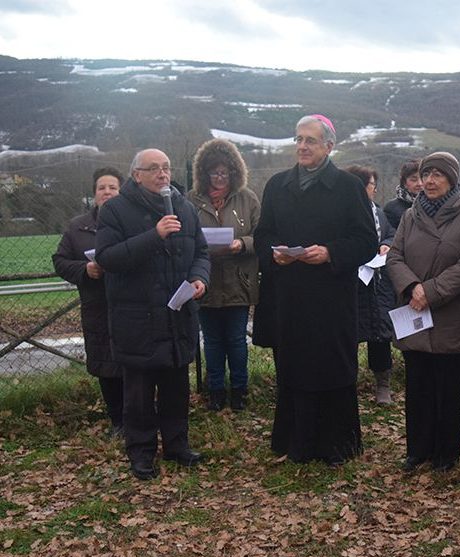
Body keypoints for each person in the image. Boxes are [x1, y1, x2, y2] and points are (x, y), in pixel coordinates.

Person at [253, 114, 377, 466]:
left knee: (332, 368)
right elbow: (264, 233)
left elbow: (367, 240)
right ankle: (298, 442)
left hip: (331, 297)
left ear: (329, 146)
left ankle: (336, 445)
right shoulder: (277, 185)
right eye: (298, 140)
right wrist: (274, 254)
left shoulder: (348, 187)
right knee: (294, 367)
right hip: (289, 295)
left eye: (310, 140)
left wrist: (330, 252)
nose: (302, 146)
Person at [95, 148, 210, 480]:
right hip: (137, 320)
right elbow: (107, 258)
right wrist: (154, 235)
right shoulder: (115, 211)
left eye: (166, 168)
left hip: (177, 316)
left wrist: (199, 278)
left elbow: (200, 252)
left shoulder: (184, 208)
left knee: (176, 388)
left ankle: (177, 445)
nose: (163, 174)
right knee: (139, 395)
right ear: (136, 175)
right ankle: (142, 453)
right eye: (154, 169)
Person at [386, 152, 460, 472]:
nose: (428, 180)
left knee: (449, 390)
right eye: (425, 174)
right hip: (415, 313)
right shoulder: (410, 217)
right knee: (418, 387)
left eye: (437, 175)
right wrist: (412, 287)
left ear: (452, 179)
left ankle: (446, 454)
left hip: (452, 317)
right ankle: (418, 449)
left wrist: (429, 292)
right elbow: (395, 256)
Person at [188, 138, 261, 412]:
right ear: (203, 172)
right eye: (213, 172)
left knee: (236, 340)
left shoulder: (247, 198)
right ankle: (215, 392)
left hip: (238, 281)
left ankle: (239, 391)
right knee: (213, 342)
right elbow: (186, 236)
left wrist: (242, 244)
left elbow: (261, 235)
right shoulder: (192, 201)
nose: (219, 177)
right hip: (204, 282)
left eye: (224, 172)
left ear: (234, 171)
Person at [52, 167, 125, 436]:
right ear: (94, 193)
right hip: (97, 306)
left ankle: (139, 418)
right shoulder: (78, 227)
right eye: (101, 188)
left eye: (113, 187)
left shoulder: (133, 222)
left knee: (134, 364)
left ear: (122, 191)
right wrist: (85, 270)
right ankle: (117, 421)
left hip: (131, 305)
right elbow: (60, 261)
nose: (107, 192)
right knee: (106, 365)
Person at [344, 164, 397, 404]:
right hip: (350, 282)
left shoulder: (378, 212)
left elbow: (390, 233)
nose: (374, 190)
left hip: (377, 283)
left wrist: (387, 243)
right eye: (371, 185)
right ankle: (347, 382)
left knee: (380, 335)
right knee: (348, 334)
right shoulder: (340, 213)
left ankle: (383, 385)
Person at [383, 159, 422, 230]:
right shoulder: (392, 208)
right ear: (404, 183)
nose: (419, 184)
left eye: (422, 179)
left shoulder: (434, 204)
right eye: (414, 180)